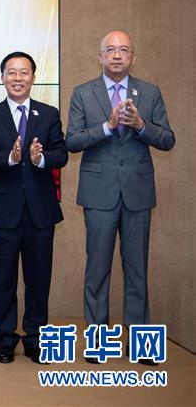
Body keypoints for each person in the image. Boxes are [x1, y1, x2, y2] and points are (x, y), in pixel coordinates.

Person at [66, 30, 174, 366]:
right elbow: (72, 141)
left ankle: (141, 344)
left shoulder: (150, 92)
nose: (116, 55)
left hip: (138, 194)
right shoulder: (83, 93)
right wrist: (108, 126)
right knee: (97, 270)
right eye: (110, 50)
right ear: (99, 57)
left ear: (133, 57)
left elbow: (167, 140)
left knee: (137, 271)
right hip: (98, 194)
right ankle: (98, 342)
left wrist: (141, 125)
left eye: (123, 50)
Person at [0, 51, 67, 364]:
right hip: (3, 211)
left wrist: (40, 158)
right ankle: (5, 340)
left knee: (38, 280)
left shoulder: (49, 114)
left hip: (40, 211)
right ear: (3, 77)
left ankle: (36, 339)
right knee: (3, 279)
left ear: (33, 77)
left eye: (24, 72)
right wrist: (10, 158)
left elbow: (61, 154)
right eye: (12, 72)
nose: (18, 78)